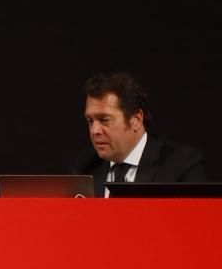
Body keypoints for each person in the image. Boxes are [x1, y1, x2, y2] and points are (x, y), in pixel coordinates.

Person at [77, 72, 206, 196]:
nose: (95, 130)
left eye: (104, 120)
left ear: (136, 119)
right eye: (90, 121)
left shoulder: (181, 166)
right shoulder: (85, 170)